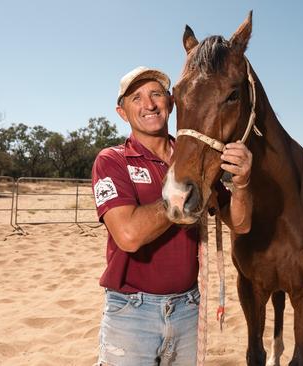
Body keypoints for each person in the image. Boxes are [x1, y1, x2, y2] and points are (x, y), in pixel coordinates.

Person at [91, 66, 253, 366]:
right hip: (131, 311)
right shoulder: (112, 160)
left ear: (172, 102)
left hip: (188, 308)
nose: (149, 105)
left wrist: (241, 183)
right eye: (136, 98)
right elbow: (128, 236)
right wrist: (182, 195)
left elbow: (240, 223)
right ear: (122, 112)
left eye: (156, 94)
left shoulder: (197, 158)